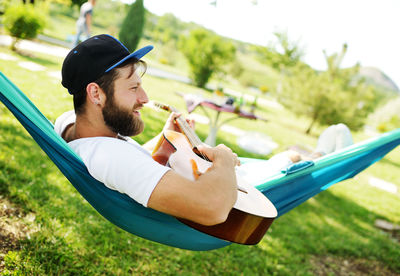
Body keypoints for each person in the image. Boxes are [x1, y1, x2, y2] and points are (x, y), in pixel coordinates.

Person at [55, 34, 353, 226]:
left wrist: (166, 141)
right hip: (235, 193)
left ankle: (316, 153)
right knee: (290, 161)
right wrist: (223, 157)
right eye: (133, 87)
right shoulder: (110, 157)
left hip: (206, 177)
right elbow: (212, 209)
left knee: (291, 156)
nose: (144, 99)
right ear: (95, 94)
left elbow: (137, 167)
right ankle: (330, 157)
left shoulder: (75, 126)